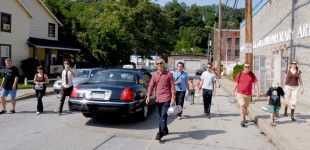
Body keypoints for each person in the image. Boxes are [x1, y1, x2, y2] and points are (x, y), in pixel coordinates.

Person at [146, 59, 175, 141]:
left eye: (160, 63)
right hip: (158, 99)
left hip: (166, 98)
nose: (159, 64)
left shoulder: (169, 74)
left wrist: (173, 97)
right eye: (157, 63)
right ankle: (165, 130)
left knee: (163, 116)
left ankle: (160, 133)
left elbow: (172, 86)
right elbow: (151, 86)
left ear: (163, 64)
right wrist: (148, 96)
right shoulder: (154, 75)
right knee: (160, 117)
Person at [232, 62, 260, 127]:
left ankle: (244, 117)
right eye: (246, 67)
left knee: (245, 107)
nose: (247, 68)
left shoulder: (252, 75)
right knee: (242, 105)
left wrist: (257, 93)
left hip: (248, 94)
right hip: (240, 93)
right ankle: (242, 120)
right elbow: (236, 83)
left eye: (248, 67)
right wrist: (233, 91)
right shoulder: (240, 74)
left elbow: (255, 84)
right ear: (243, 67)